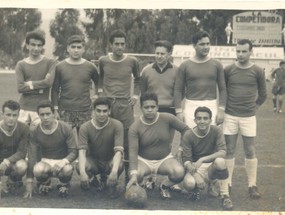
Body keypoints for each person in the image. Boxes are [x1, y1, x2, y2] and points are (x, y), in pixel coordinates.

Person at [220, 39, 267, 207]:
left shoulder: (257, 71)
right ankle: (228, 183)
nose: (240, 54)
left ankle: (252, 185)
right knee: (229, 149)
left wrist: (253, 108)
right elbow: (223, 89)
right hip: (230, 115)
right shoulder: (228, 70)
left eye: (244, 51)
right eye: (238, 51)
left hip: (248, 117)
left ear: (251, 52)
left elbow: (263, 94)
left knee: (250, 150)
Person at [127, 92, 188, 200]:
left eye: (152, 107)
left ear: (157, 107)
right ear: (141, 108)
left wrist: (181, 148)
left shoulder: (167, 118)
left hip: (164, 159)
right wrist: (133, 174)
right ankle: (141, 187)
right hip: (144, 161)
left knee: (179, 172)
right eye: (146, 107)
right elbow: (133, 151)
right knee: (135, 175)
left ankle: (164, 186)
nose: (150, 110)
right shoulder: (135, 127)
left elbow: (186, 130)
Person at [98, 30, 140, 184]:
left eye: (122, 44)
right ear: (111, 45)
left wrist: (135, 96)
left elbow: (138, 79)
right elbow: (100, 77)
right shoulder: (103, 60)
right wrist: (100, 93)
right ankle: (105, 176)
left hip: (124, 104)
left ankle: (130, 178)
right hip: (107, 104)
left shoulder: (132, 61)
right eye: (117, 44)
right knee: (105, 139)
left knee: (128, 140)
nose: (120, 47)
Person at [140, 40, 178, 190]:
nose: (159, 56)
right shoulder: (147, 70)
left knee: (166, 144)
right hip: (151, 111)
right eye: (157, 53)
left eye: (163, 53)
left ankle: (170, 180)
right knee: (149, 144)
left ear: (169, 54)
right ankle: (150, 179)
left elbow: (179, 92)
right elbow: (143, 93)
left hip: (169, 111)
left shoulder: (177, 70)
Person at [174, 30, 227, 129]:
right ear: (194, 46)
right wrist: (178, 111)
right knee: (189, 136)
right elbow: (177, 89)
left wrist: (221, 109)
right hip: (191, 105)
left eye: (208, 44)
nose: (206, 47)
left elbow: (223, 89)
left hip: (211, 104)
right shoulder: (185, 65)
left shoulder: (217, 64)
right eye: (202, 44)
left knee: (210, 139)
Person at [24, 101, 77, 198]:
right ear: (38, 115)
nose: (45, 117)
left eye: (48, 114)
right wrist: (29, 181)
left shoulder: (65, 128)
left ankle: (64, 184)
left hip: (62, 161)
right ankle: (45, 183)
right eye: (42, 114)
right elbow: (32, 155)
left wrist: (64, 161)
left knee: (67, 169)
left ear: (53, 114)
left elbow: (74, 151)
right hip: (45, 161)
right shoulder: (35, 130)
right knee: (38, 169)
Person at [181, 106, 230, 209]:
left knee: (220, 161)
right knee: (189, 183)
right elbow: (186, 161)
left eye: (205, 118)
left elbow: (222, 152)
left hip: (211, 165)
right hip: (195, 167)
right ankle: (195, 189)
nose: (202, 121)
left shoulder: (216, 130)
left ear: (210, 120)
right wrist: (196, 175)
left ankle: (225, 196)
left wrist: (202, 159)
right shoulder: (188, 135)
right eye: (199, 118)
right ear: (195, 120)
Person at [77, 97, 124, 198]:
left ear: (109, 111)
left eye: (104, 111)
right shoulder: (85, 127)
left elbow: (118, 151)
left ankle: (111, 183)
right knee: (81, 166)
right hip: (94, 162)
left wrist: (114, 171)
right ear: (93, 111)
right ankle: (92, 180)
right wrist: (82, 172)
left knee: (119, 164)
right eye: (98, 111)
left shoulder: (117, 125)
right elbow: (82, 151)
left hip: (109, 161)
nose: (101, 114)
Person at [51, 35, 99, 134]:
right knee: (63, 139)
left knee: (85, 140)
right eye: (73, 47)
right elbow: (55, 89)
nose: (76, 50)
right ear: (68, 48)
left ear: (83, 49)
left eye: (79, 47)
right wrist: (55, 110)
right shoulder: (60, 67)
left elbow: (99, 83)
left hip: (85, 110)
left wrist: (97, 95)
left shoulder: (90, 66)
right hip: (64, 110)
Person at [15, 30, 57, 126]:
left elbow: (48, 83)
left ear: (42, 47)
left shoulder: (50, 62)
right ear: (27, 45)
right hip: (23, 108)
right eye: (33, 45)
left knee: (40, 138)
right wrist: (41, 87)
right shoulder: (21, 65)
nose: (36, 48)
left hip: (42, 109)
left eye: (39, 45)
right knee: (22, 138)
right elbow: (20, 88)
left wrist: (29, 84)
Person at [0, 100, 29, 196]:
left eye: (14, 115)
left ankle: (12, 180)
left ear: (18, 115)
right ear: (2, 114)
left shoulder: (24, 128)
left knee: (22, 166)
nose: (11, 118)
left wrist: (7, 161)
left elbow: (22, 152)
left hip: (12, 161)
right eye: (8, 115)